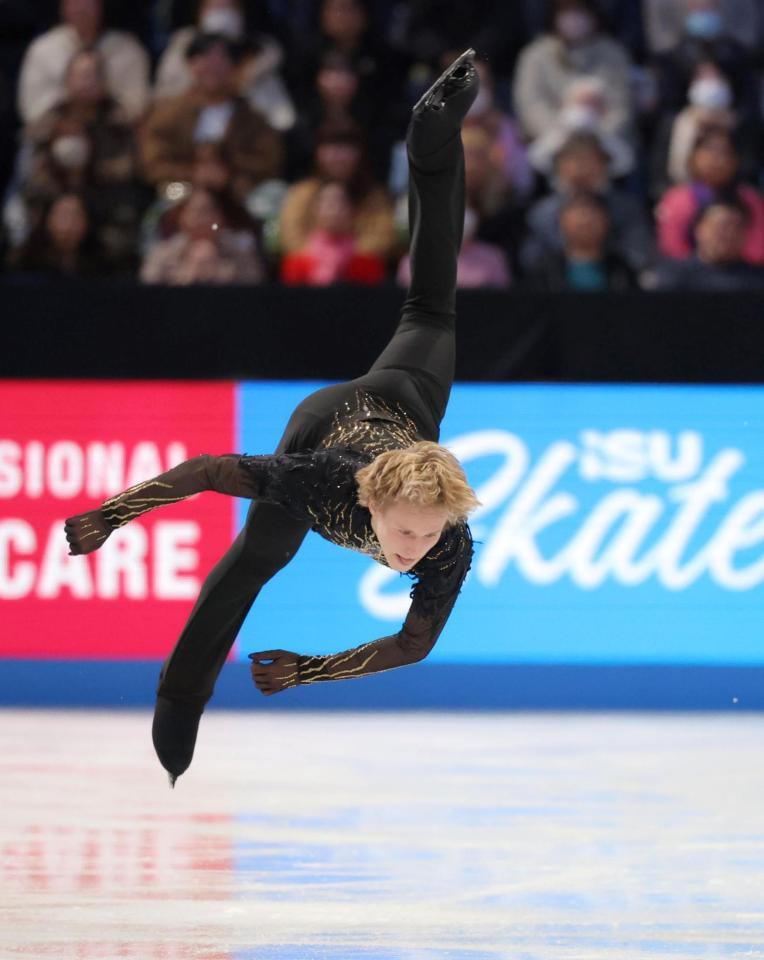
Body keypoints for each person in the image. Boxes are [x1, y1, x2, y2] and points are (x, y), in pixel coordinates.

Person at [64, 50, 482, 787]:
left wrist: (308, 671)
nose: (414, 551)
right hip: (328, 422)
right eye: (406, 533)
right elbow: (206, 471)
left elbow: (413, 644)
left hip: (407, 402)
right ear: (372, 504)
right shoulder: (324, 480)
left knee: (433, 306)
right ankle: (180, 697)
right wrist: (113, 513)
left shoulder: (447, 540)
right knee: (258, 557)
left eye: (425, 535)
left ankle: (431, 133)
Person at [140, 32, 284, 203]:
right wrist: (193, 173)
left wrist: (226, 172)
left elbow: (268, 161)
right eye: (204, 58)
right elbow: (153, 161)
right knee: (170, 194)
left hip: (236, 193)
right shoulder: (167, 113)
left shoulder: (252, 118)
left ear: (236, 67)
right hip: (181, 190)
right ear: (191, 65)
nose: (213, 66)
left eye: (222, 59)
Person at [154, 0, 296, 133]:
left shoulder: (262, 57)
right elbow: (161, 103)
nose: (222, 14)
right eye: (215, 7)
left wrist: (242, 82)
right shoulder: (181, 48)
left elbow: (282, 120)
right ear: (200, 12)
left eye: (229, 7)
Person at [513, 0, 634, 143]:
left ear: (593, 15)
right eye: (566, 13)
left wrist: (596, 140)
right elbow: (532, 107)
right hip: (551, 144)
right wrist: (562, 138)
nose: (574, 20)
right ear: (555, 16)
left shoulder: (614, 54)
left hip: (606, 145)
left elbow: (621, 108)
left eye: (580, 12)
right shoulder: (535, 55)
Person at [17, 0, 150, 125]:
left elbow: (137, 106)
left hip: (114, 133)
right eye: (74, 2)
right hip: (56, 134)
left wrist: (103, 98)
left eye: (88, 2)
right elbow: (32, 109)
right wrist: (69, 100)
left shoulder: (128, 50)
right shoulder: (43, 49)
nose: (81, 8)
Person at [278, 119, 395, 259]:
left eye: (346, 149)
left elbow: (383, 237)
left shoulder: (374, 196)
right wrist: (322, 257)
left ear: (360, 153)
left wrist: (343, 257)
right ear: (317, 153)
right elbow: (291, 236)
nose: (338, 157)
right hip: (310, 267)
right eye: (330, 148)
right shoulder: (302, 193)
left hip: (358, 267)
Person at [655, 128, 764, 265]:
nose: (717, 160)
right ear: (693, 156)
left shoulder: (751, 200)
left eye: (725, 153)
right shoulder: (677, 200)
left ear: (736, 160)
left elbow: (758, 251)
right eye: (709, 151)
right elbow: (672, 248)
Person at [140, 186, 264, 285]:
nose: (202, 219)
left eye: (208, 211)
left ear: (221, 218)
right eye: (196, 211)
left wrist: (223, 275)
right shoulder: (162, 253)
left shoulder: (241, 252)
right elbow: (148, 290)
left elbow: (256, 286)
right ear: (182, 218)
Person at [280, 180, 386, 286]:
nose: (334, 210)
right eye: (328, 204)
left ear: (352, 210)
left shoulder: (367, 265)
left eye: (340, 203)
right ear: (315, 210)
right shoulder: (296, 265)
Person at [526, 190, 637, 291]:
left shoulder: (622, 271)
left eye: (593, 211)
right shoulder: (544, 271)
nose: (585, 219)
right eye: (578, 211)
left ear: (607, 221)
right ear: (561, 221)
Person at [651, 199, 764, 290]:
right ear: (699, 229)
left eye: (735, 228)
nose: (727, 235)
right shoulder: (674, 276)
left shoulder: (758, 279)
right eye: (720, 228)